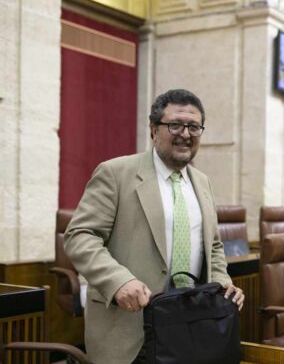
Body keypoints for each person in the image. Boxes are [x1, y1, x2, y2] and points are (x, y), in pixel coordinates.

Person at [64, 89, 245, 364]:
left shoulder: (203, 182)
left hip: (191, 328)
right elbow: (80, 236)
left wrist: (222, 283)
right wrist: (118, 280)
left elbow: (214, 245)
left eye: (194, 127)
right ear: (153, 129)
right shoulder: (116, 173)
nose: (185, 133)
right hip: (131, 332)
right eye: (175, 124)